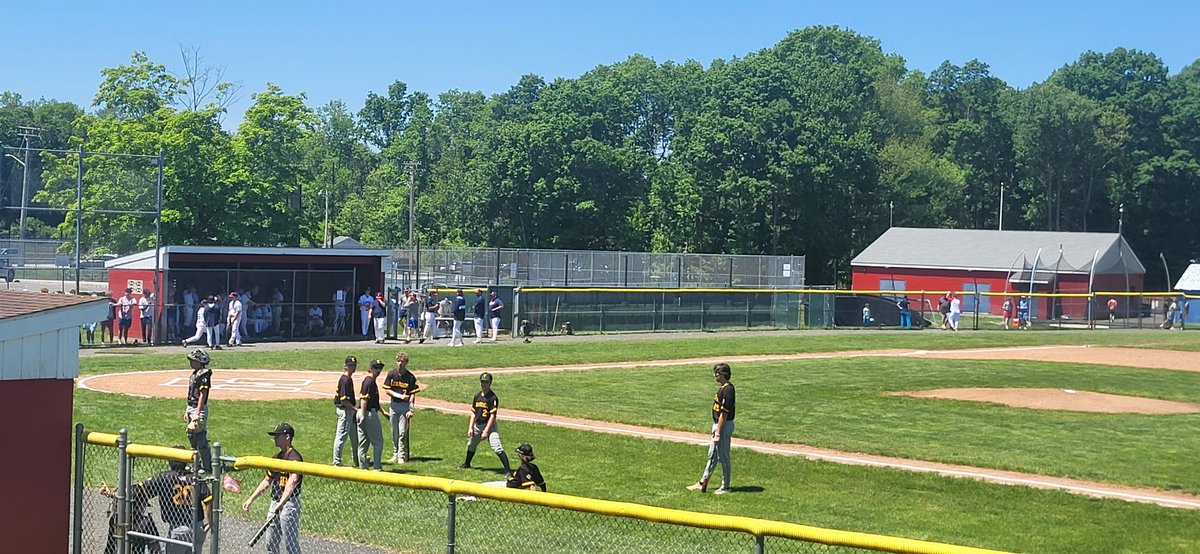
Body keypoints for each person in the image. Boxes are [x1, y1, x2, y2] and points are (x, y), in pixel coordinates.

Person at [242, 422, 303, 554]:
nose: (275, 438)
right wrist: (251, 499)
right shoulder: (276, 458)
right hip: (275, 502)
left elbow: (291, 483)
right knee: (270, 543)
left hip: (289, 504)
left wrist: (282, 503)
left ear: (287, 437)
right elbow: (267, 480)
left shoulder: (295, 459)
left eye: (278, 435)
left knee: (290, 545)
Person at [143, 455, 213, 553]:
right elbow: (209, 500)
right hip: (198, 526)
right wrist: (209, 523)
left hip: (178, 529)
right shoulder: (195, 478)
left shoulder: (164, 477)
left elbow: (142, 490)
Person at [687, 363, 736, 495]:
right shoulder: (722, 389)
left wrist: (718, 433)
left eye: (718, 373)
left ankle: (725, 487)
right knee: (712, 456)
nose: (715, 375)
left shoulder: (728, 390)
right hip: (719, 425)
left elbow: (724, 414)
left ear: (724, 374)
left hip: (723, 426)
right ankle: (703, 482)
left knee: (723, 457)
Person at [458, 372, 512, 472]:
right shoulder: (477, 396)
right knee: (471, 445)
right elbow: (473, 413)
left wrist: (486, 431)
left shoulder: (493, 398)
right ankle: (467, 464)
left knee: (497, 447)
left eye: (486, 382)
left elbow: (493, 416)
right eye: (482, 382)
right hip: (478, 426)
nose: (484, 384)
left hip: (489, 426)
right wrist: (470, 427)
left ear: (490, 383)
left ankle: (508, 471)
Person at [381, 351, 423, 463]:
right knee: (394, 431)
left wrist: (411, 409)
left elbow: (413, 394)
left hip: (404, 407)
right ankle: (395, 453)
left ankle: (401, 455)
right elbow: (387, 390)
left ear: (406, 362)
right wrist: (399, 395)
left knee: (402, 432)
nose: (400, 363)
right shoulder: (391, 374)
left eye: (402, 361)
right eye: (398, 361)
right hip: (394, 405)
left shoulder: (410, 377)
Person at [101, 483, 159, 554]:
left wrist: (111, 494)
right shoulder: (146, 522)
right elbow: (155, 548)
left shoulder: (116, 518)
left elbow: (110, 547)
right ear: (141, 505)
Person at [184, 349, 214, 473]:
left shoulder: (204, 375)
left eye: (194, 360)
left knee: (199, 436)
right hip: (191, 407)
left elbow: (202, 395)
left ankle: (207, 466)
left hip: (198, 408)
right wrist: (187, 410)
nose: (191, 362)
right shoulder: (194, 374)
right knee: (191, 436)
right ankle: (196, 463)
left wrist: (197, 412)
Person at [356, 359, 387, 470]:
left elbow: (374, 401)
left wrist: (383, 413)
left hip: (363, 412)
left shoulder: (370, 381)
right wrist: (364, 415)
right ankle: (377, 467)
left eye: (380, 368)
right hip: (367, 413)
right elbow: (364, 399)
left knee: (363, 442)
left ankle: (363, 468)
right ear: (371, 368)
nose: (378, 370)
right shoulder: (369, 382)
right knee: (378, 442)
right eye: (376, 368)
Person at [332, 356, 360, 467]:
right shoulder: (345, 380)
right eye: (351, 365)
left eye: (354, 365)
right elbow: (343, 400)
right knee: (341, 436)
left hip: (349, 411)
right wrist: (355, 410)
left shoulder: (348, 379)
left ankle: (357, 460)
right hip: (345, 411)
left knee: (355, 437)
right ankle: (337, 462)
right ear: (345, 366)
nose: (353, 367)